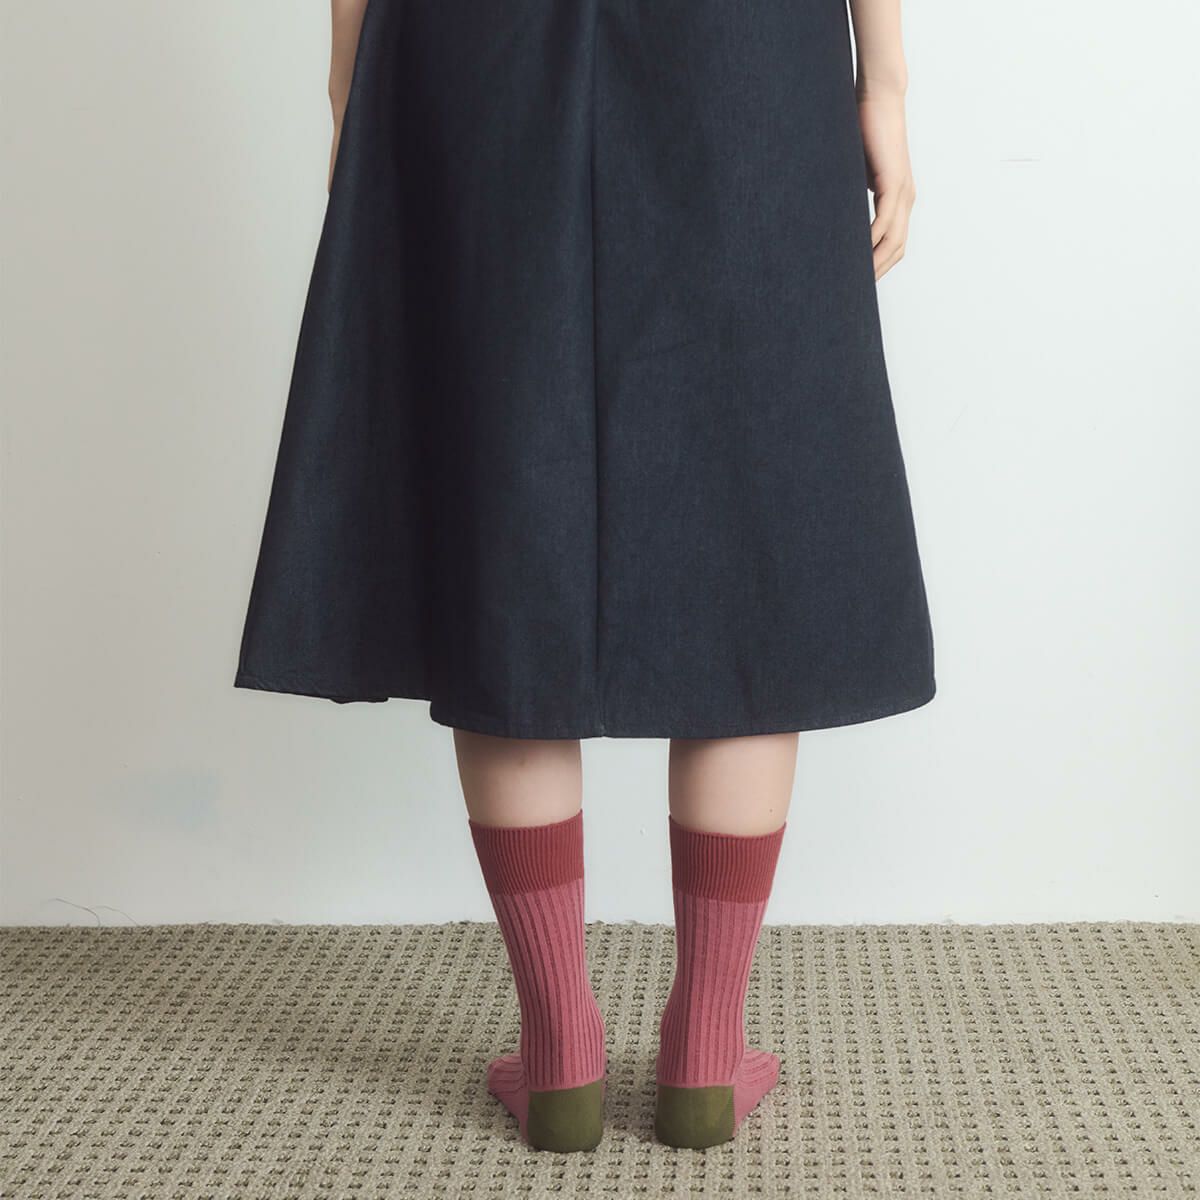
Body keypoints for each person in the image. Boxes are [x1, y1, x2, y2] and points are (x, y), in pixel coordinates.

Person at [235, 0, 933, 1153]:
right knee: (744, 528)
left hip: (474, 41)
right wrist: (886, 85)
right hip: (744, 42)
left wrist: (352, 78)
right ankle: (705, 1053)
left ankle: (561, 1051)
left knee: (511, 515)